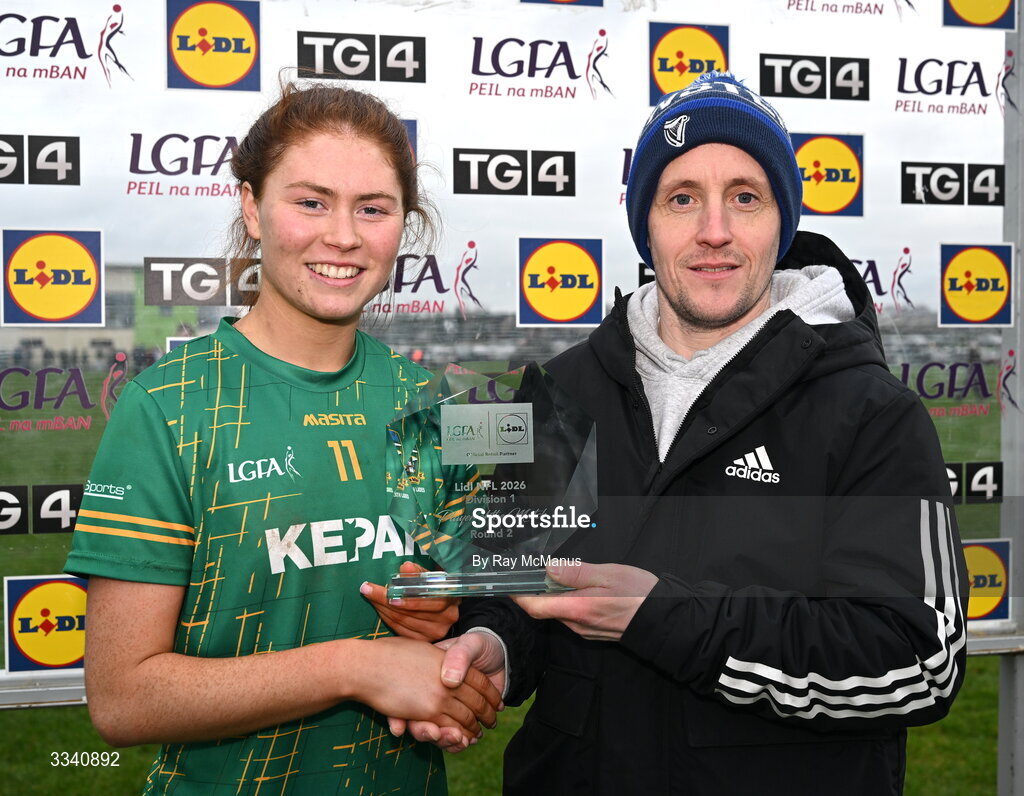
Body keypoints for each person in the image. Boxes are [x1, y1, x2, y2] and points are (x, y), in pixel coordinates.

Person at [400, 72, 969, 795]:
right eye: (681, 198)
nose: (715, 231)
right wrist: (492, 645)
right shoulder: (564, 390)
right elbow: (516, 585)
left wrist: (666, 618)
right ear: (647, 224)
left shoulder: (870, 412)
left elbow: (920, 666)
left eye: (745, 196)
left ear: (781, 220)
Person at [64, 83, 499, 795]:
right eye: (311, 201)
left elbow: (445, 624)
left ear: (404, 225)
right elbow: (122, 699)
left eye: (373, 208)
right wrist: (354, 666)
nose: (344, 236)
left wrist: (437, 629)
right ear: (251, 208)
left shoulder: (428, 403)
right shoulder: (167, 407)